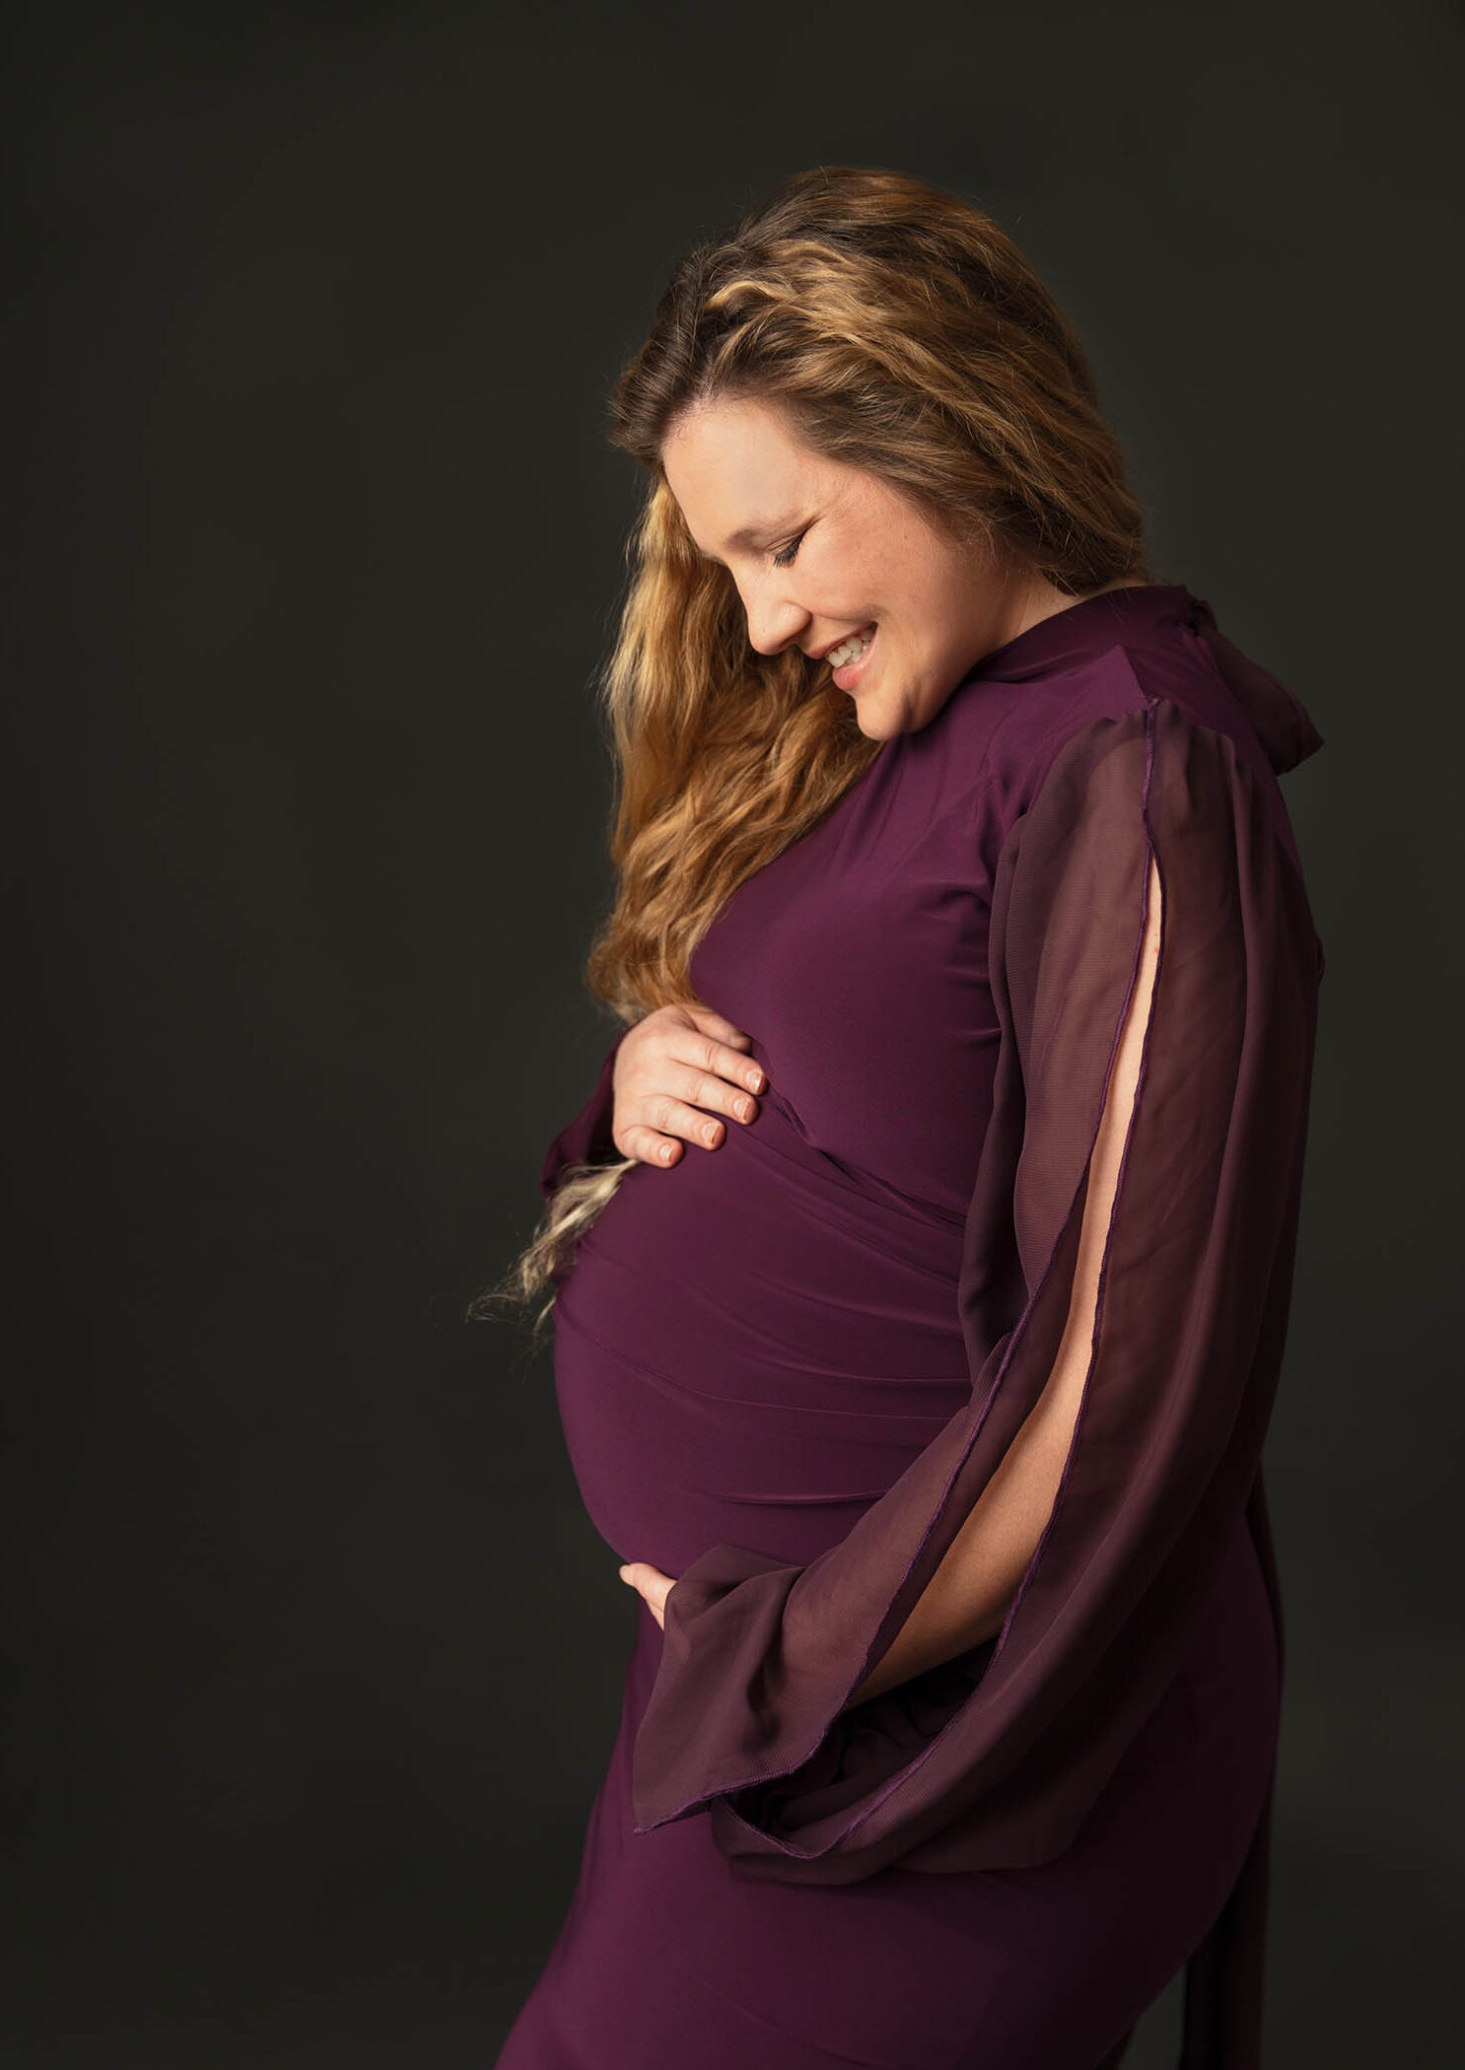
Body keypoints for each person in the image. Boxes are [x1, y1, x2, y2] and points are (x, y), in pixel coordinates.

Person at [483, 165, 1325, 2070]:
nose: (767, 620)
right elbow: (885, 1104)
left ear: (939, 425)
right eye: (729, 571)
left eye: (786, 542)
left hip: (964, 1730)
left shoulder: (1139, 750)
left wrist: (770, 1662)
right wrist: (640, 1086)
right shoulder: (947, 719)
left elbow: (1132, 1376)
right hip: (796, 1697)